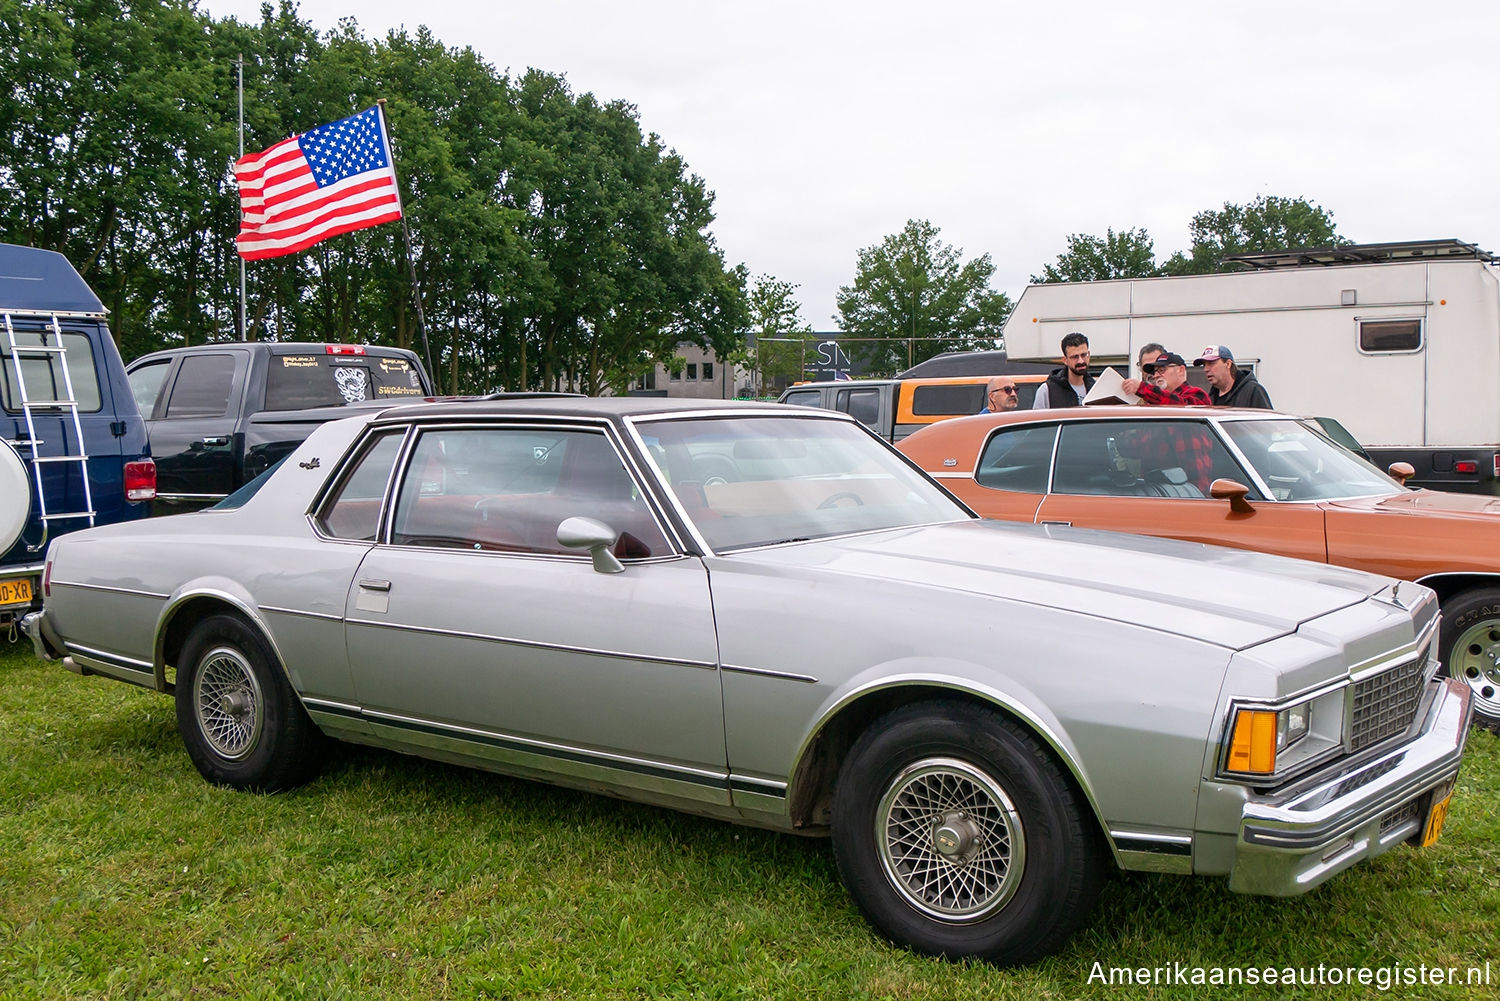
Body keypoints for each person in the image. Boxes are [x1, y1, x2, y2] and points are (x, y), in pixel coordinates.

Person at [1193, 345, 1273, 408]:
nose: (1206, 369)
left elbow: (1268, 425)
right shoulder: (1211, 397)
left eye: (1211, 363)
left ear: (1228, 364)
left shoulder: (1253, 391)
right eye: (1204, 365)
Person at [1122, 351, 1210, 406]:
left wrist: (1142, 388)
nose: (1156, 375)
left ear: (1181, 370)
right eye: (1155, 371)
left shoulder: (1198, 395)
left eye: (1161, 370)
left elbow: (1180, 407)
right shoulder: (1153, 401)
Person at [1032, 332, 1094, 409]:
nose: (1080, 361)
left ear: (1089, 354)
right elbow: (1038, 419)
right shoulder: (1047, 390)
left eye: (1083, 355)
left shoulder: (1096, 389)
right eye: (1075, 357)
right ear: (1065, 360)